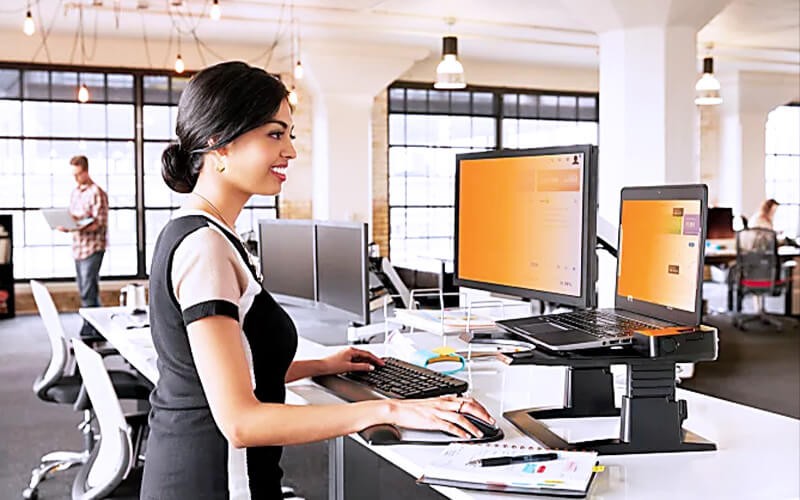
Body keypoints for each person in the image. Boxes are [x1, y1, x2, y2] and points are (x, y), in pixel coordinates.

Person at [141, 61, 493, 500]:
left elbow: (227, 371)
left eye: (290, 134)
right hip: (216, 482)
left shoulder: (199, 231)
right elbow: (240, 421)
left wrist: (321, 366)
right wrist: (388, 409)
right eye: (275, 134)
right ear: (219, 144)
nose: (290, 151)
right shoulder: (204, 247)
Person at [58, 155, 108, 336]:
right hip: (78, 248)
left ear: (86, 171)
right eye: (73, 175)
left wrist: (78, 226)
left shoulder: (97, 193)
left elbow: (99, 223)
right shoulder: (75, 192)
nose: (76, 178)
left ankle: (91, 328)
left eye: (78, 174)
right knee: (85, 290)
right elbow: (75, 216)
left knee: (88, 290)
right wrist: (68, 226)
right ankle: (96, 327)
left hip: (93, 247)